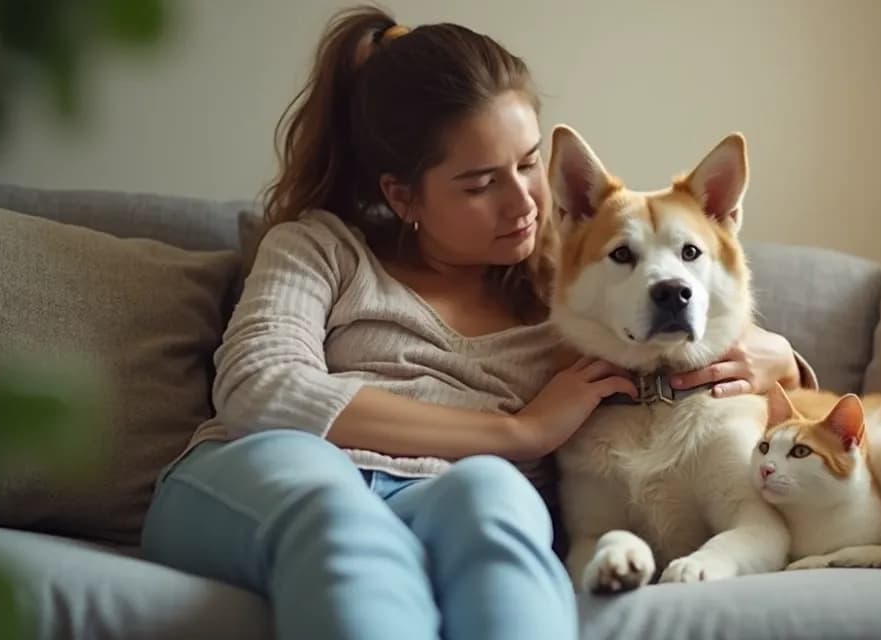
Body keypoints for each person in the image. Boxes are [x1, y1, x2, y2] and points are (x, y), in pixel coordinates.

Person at [139, 5, 816, 640]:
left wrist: (780, 359)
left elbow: (688, 304)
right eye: (480, 183)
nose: (524, 202)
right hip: (276, 474)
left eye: (527, 165)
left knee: (496, 500)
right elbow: (261, 388)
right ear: (402, 195)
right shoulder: (321, 248)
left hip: (451, 493)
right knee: (340, 517)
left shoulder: (576, 280)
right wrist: (515, 431)